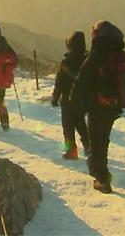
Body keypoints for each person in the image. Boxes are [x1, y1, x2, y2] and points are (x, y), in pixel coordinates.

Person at [70, 20, 125, 194]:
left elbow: (82, 79)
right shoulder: (120, 54)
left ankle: (102, 179)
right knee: (103, 138)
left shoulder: (97, 54)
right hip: (113, 106)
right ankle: (102, 171)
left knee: (96, 142)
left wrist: (75, 99)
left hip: (97, 106)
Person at [51, 31, 90, 159]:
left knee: (68, 128)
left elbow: (59, 83)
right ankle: (90, 149)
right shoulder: (88, 60)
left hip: (68, 101)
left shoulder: (66, 62)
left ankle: (71, 152)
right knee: (81, 125)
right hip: (83, 101)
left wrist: (55, 98)